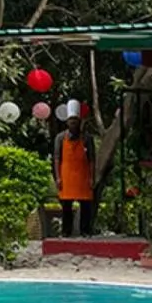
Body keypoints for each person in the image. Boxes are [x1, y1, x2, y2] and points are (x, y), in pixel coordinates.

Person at [52, 101, 95, 236]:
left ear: (79, 121)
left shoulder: (87, 138)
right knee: (66, 206)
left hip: (83, 176)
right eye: (71, 120)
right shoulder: (60, 138)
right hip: (67, 176)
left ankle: (85, 231)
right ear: (67, 122)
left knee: (86, 205)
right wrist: (58, 177)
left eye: (75, 120)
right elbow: (57, 158)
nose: (73, 123)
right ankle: (66, 232)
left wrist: (92, 177)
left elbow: (92, 159)